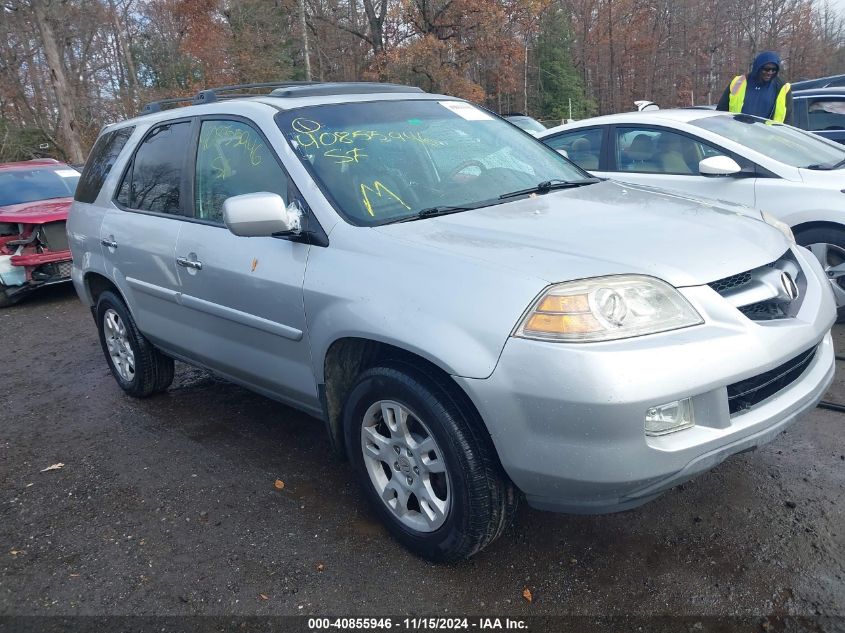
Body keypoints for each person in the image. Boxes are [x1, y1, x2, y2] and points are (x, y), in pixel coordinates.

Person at [716, 51, 792, 124]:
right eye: (766, 69)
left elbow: (788, 120)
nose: (770, 73)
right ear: (758, 67)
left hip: (766, 135)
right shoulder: (738, 82)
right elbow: (721, 110)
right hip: (736, 133)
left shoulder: (782, 87)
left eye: (774, 70)